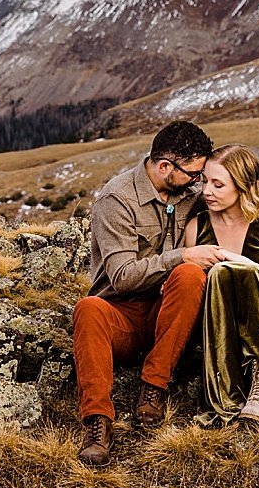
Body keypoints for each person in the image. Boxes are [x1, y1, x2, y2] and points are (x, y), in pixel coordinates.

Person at [72, 121, 229, 466]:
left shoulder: (190, 194)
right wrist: (182, 255)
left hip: (170, 312)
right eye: (193, 174)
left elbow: (234, 204)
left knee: (188, 276)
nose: (199, 183)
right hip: (122, 314)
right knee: (87, 308)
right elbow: (123, 277)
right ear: (164, 167)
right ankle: (97, 423)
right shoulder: (118, 199)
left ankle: (153, 387)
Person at [182, 144, 259, 430]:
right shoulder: (196, 227)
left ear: (243, 186)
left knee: (230, 269)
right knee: (221, 276)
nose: (206, 191)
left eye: (218, 184)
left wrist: (236, 260)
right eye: (205, 181)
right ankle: (227, 391)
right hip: (221, 322)